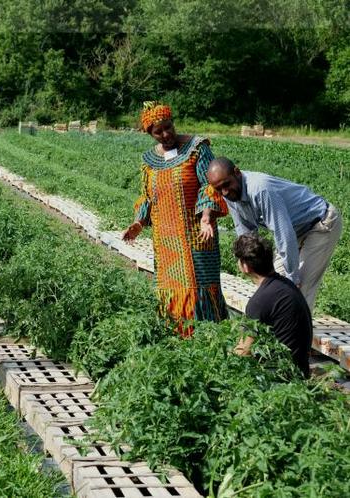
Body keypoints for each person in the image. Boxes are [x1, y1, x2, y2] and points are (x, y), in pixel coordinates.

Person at [122, 101, 230, 336]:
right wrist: (139, 223)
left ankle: (207, 336)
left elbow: (209, 185)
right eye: (157, 131)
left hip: (197, 234)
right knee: (170, 288)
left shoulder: (196, 148)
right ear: (149, 133)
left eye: (168, 127)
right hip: (166, 241)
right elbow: (148, 197)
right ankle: (176, 336)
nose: (165, 134)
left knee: (199, 286)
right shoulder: (149, 161)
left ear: (173, 123)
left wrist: (206, 216)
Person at [207, 157, 343, 311]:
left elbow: (283, 233)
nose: (224, 191)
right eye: (219, 189)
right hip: (296, 230)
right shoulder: (230, 195)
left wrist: (293, 276)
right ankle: (279, 330)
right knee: (271, 285)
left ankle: (300, 333)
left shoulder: (260, 189)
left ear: (237, 172)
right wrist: (252, 266)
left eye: (226, 185)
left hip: (321, 224)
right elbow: (246, 235)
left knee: (297, 290)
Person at [232, 234, 312, 377]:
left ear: (245, 266)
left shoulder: (259, 301)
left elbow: (243, 352)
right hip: (301, 370)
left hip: (282, 379)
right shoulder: (286, 285)